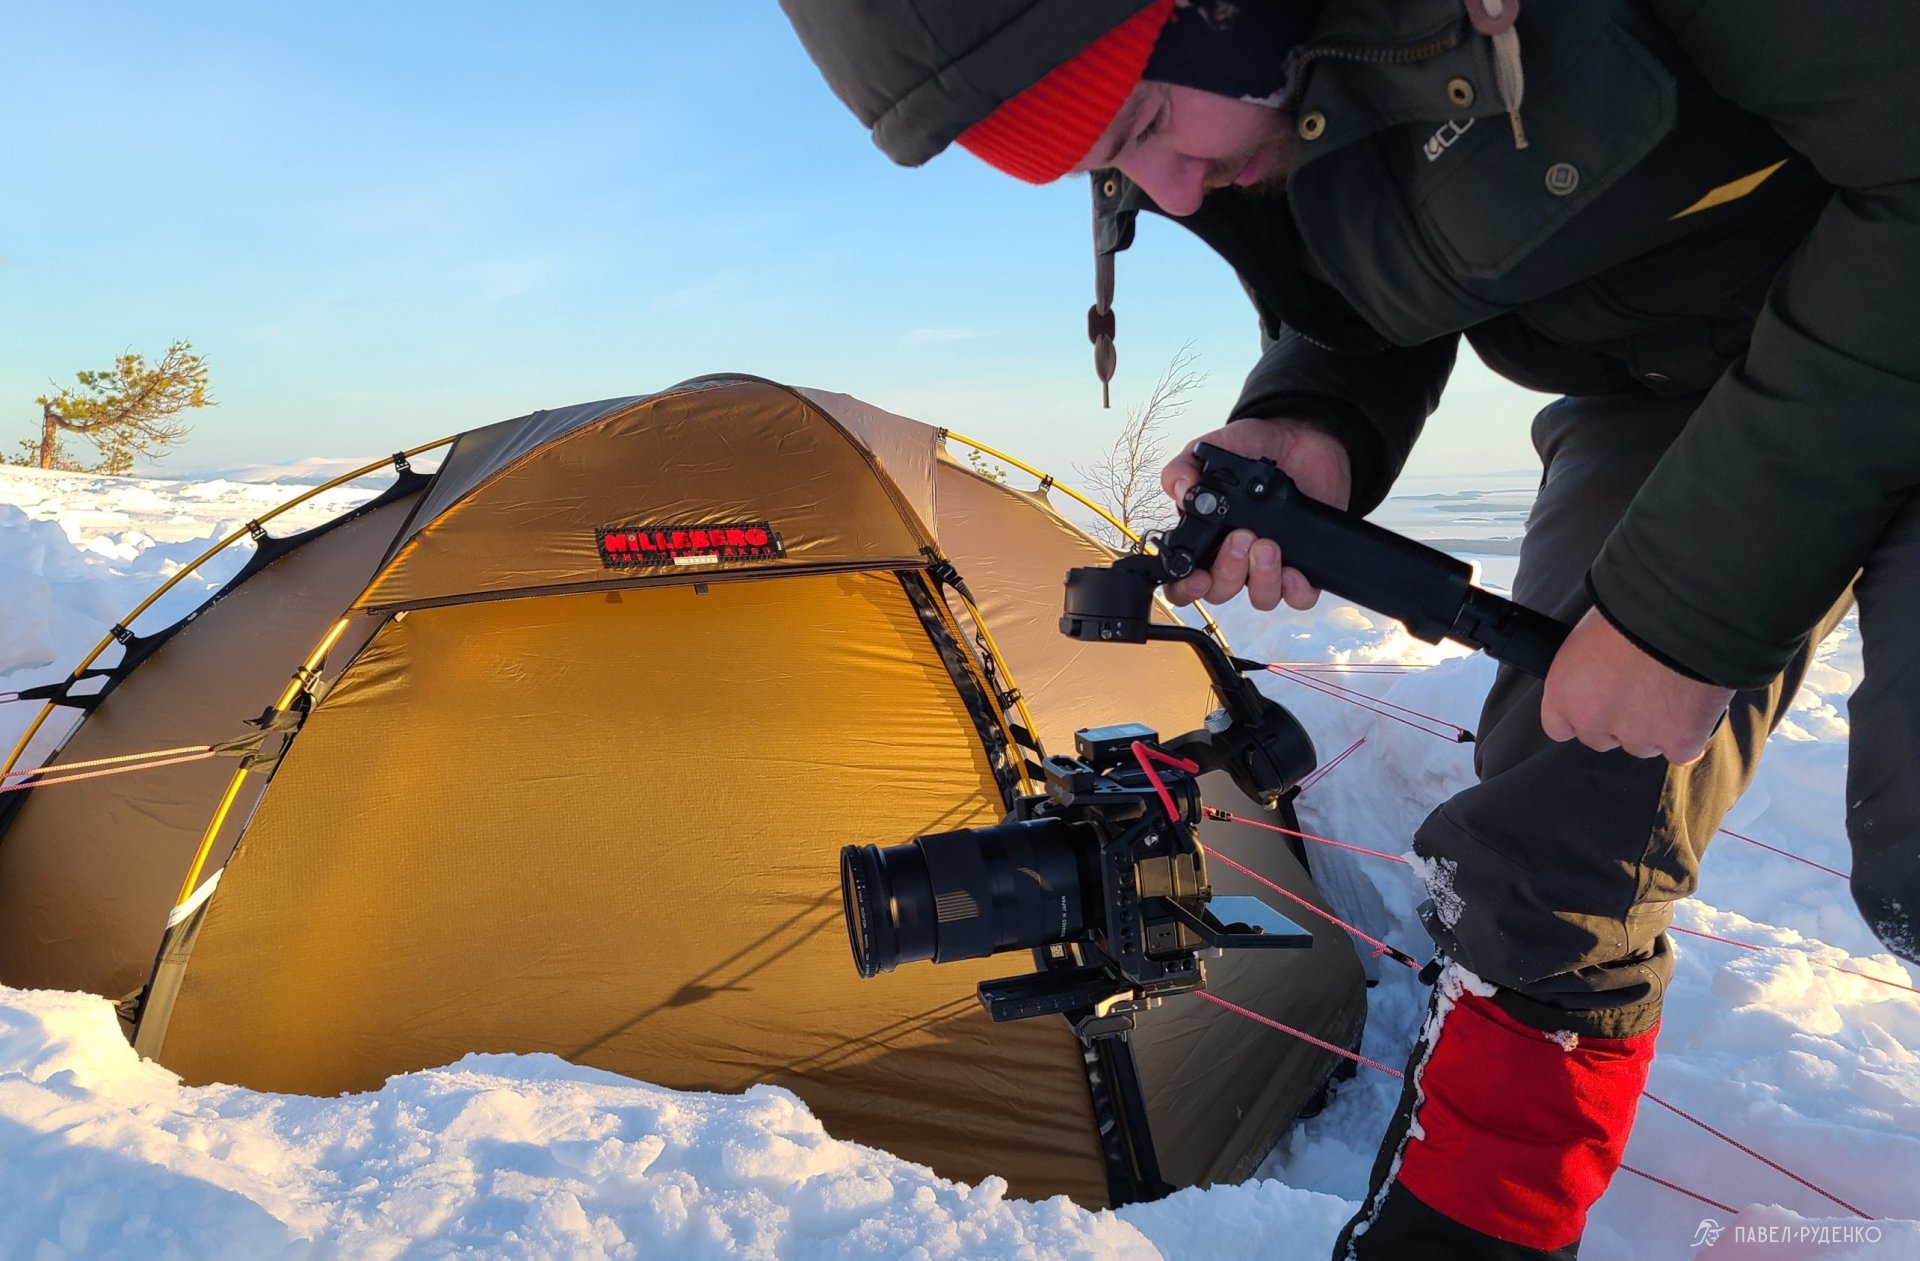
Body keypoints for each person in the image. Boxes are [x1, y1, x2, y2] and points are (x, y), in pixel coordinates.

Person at [778, 1, 1920, 1256]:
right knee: (1548, 847)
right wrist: (1315, 414)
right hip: (1667, 386)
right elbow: (1391, 261)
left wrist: (1681, 613)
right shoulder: (1269, 80)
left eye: (1148, 120)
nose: (1173, 187)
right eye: (1115, 169)